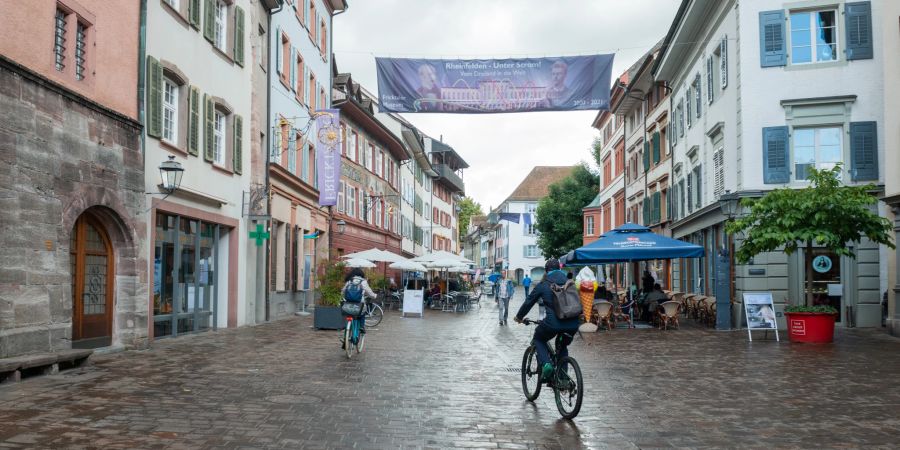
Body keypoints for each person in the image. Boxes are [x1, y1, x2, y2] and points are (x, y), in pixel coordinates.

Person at [514, 258, 580, 382]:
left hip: (553, 324)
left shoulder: (543, 285)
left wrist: (519, 317)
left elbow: (529, 302)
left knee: (538, 338)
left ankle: (546, 364)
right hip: (573, 323)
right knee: (562, 346)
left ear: (546, 270)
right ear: (560, 269)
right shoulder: (570, 283)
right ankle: (563, 379)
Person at [341, 268, 376, 337]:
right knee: (362, 313)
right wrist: (374, 296)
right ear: (361, 274)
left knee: (349, 315)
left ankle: (346, 332)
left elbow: (343, 291)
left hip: (348, 303)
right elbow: (369, 293)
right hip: (359, 304)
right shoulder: (363, 282)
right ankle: (361, 327)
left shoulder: (349, 281)